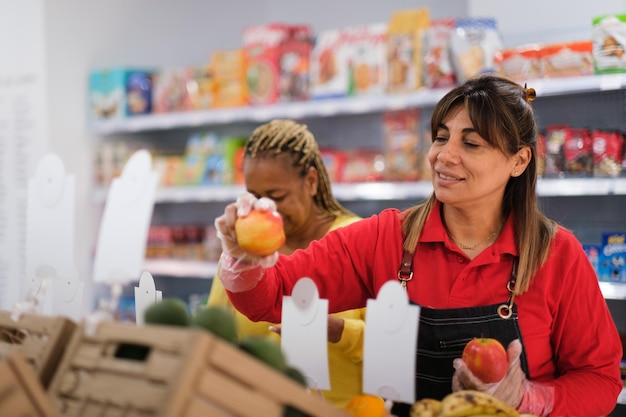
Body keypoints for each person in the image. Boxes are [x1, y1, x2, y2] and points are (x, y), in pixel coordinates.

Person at [214, 75, 624, 417]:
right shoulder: (386, 239)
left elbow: (601, 379)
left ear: (519, 161)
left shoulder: (557, 254)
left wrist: (531, 399)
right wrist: (243, 258)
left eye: (471, 143)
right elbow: (272, 297)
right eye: (441, 137)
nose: (444, 156)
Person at [206, 119, 366, 408]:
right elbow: (212, 333)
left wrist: (338, 331)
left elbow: (397, 345)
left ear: (311, 181)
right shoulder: (244, 252)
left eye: (277, 196)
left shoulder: (357, 241)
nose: (265, 207)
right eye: (254, 196)